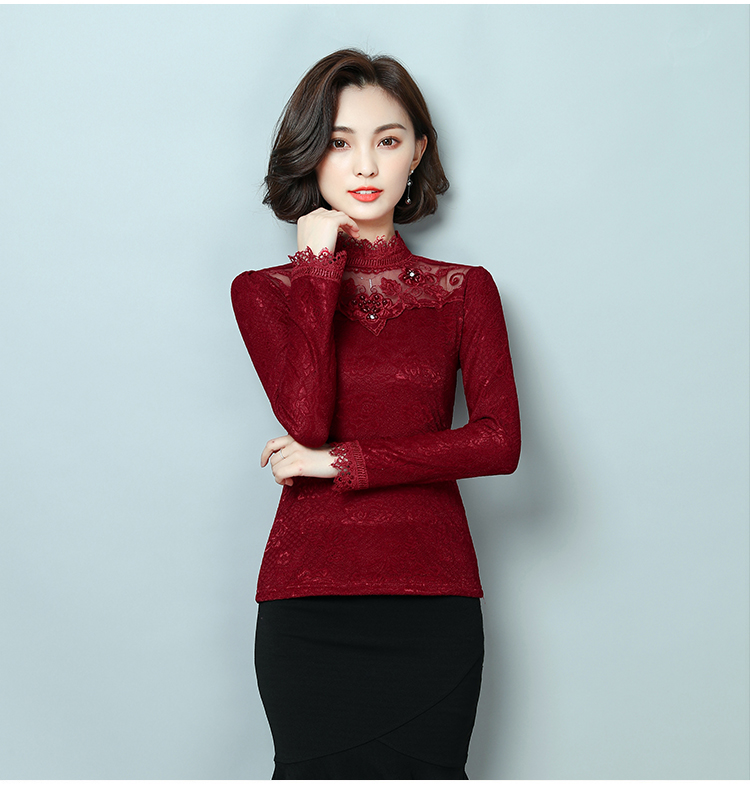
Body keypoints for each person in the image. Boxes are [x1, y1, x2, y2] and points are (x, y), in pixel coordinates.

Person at [231, 48, 521, 780]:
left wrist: (342, 463)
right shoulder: (263, 291)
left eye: (387, 141)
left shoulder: (465, 291)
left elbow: (498, 443)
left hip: (432, 599)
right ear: (311, 154)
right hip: (310, 601)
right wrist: (317, 270)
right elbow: (305, 420)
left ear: (417, 152)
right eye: (339, 142)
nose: (365, 165)